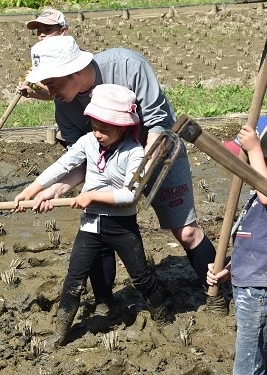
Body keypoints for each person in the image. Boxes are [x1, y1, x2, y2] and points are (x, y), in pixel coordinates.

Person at [17, 35, 226, 314]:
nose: (50, 92)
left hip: (159, 150)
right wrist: (53, 189)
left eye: (53, 83)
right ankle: (104, 301)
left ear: (75, 70)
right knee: (98, 225)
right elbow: (80, 158)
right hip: (109, 164)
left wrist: (138, 175)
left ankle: (217, 293)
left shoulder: (127, 65)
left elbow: (157, 123)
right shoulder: (65, 108)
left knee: (186, 231)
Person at [14, 84, 169, 346]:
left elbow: (131, 195)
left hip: (122, 225)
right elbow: (63, 165)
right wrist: (34, 189)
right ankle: (60, 332)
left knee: (141, 277)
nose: (97, 134)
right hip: (90, 225)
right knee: (74, 280)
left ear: (123, 127)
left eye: (104, 130)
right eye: (94, 126)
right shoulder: (88, 142)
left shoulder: (134, 153)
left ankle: (163, 314)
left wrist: (92, 196)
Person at [207, 122, 267, 375]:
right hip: (249, 283)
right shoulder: (256, 195)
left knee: (248, 365)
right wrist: (229, 268)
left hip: (258, 291)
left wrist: (253, 150)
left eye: (246, 165)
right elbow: (258, 246)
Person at [18, 9, 68, 101]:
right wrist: (32, 93)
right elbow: (53, 95)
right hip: (64, 113)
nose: (42, 35)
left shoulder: (67, 57)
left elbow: (65, 92)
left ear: (62, 32)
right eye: (39, 31)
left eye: (48, 30)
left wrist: (36, 80)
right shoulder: (46, 58)